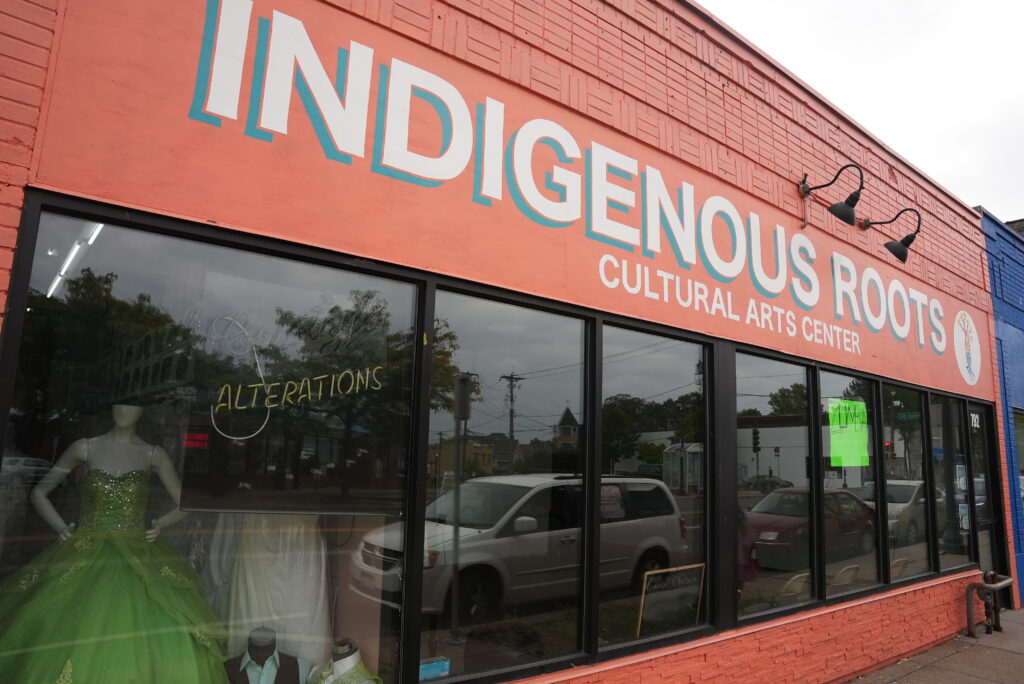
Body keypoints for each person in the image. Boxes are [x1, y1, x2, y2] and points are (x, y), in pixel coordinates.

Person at [0, 404, 227, 682]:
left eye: (134, 404)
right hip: (85, 547)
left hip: (137, 550)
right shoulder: (84, 448)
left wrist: (160, 524)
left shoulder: (153, 454)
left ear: (144, 411)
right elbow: (39, 493)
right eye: (120, 402)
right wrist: (61, 527)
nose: (124, 409)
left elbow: (187, 503)